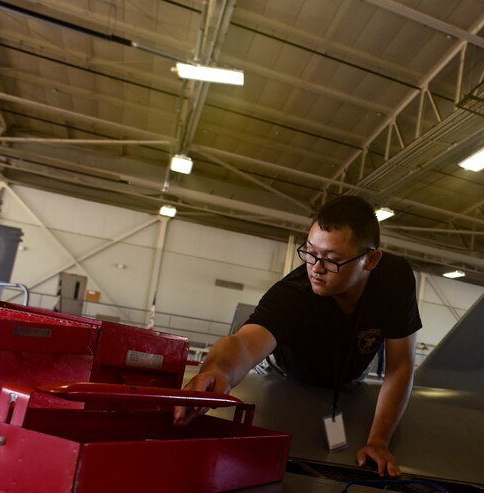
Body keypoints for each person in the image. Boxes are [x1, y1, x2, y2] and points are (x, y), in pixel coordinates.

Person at [175, 195, 421, 477]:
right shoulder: (292, 295)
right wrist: (218, 370)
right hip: (284, 372)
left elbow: (401, 364)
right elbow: (246, 341)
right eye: (311, 252)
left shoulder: (395, 279)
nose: (315, 268)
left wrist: (379, 441)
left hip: (347, 376)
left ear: (371, 259)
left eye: (332, 260)